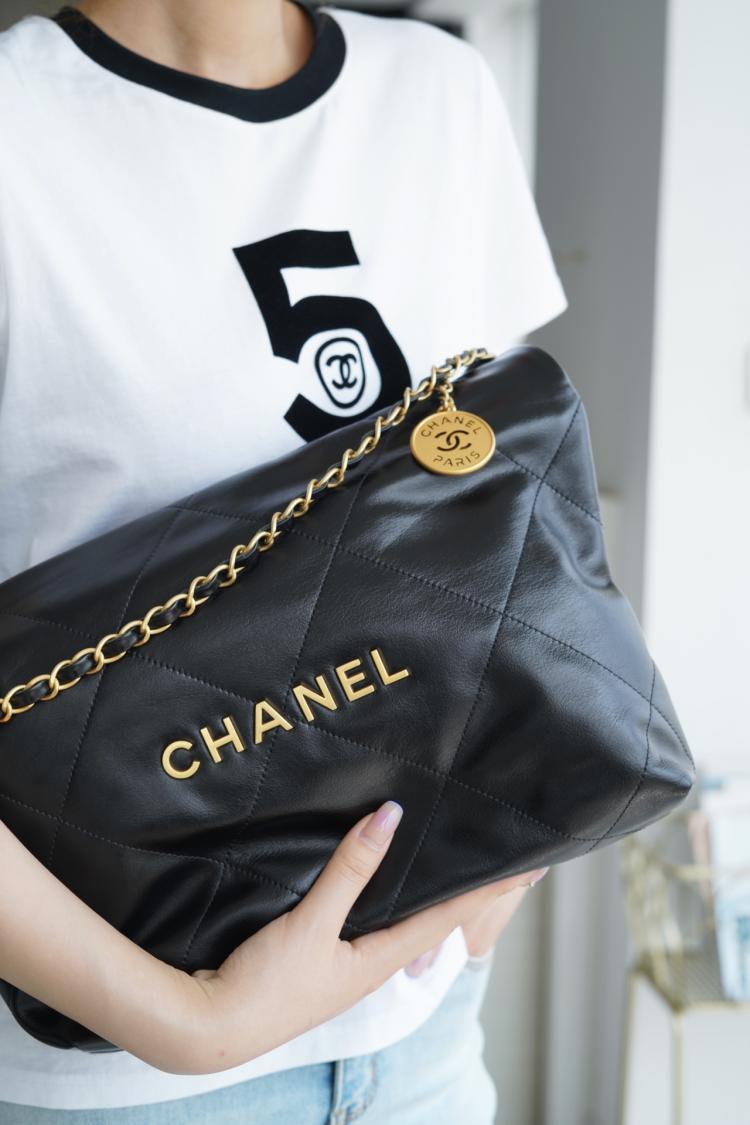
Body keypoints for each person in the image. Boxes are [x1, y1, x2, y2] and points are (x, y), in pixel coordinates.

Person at [0, 0, 567, 1119]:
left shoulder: (438, 89)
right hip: (135, 1084)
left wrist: (527, 827)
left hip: (426, 1035)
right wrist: (188, 1022)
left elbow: (514, 502)